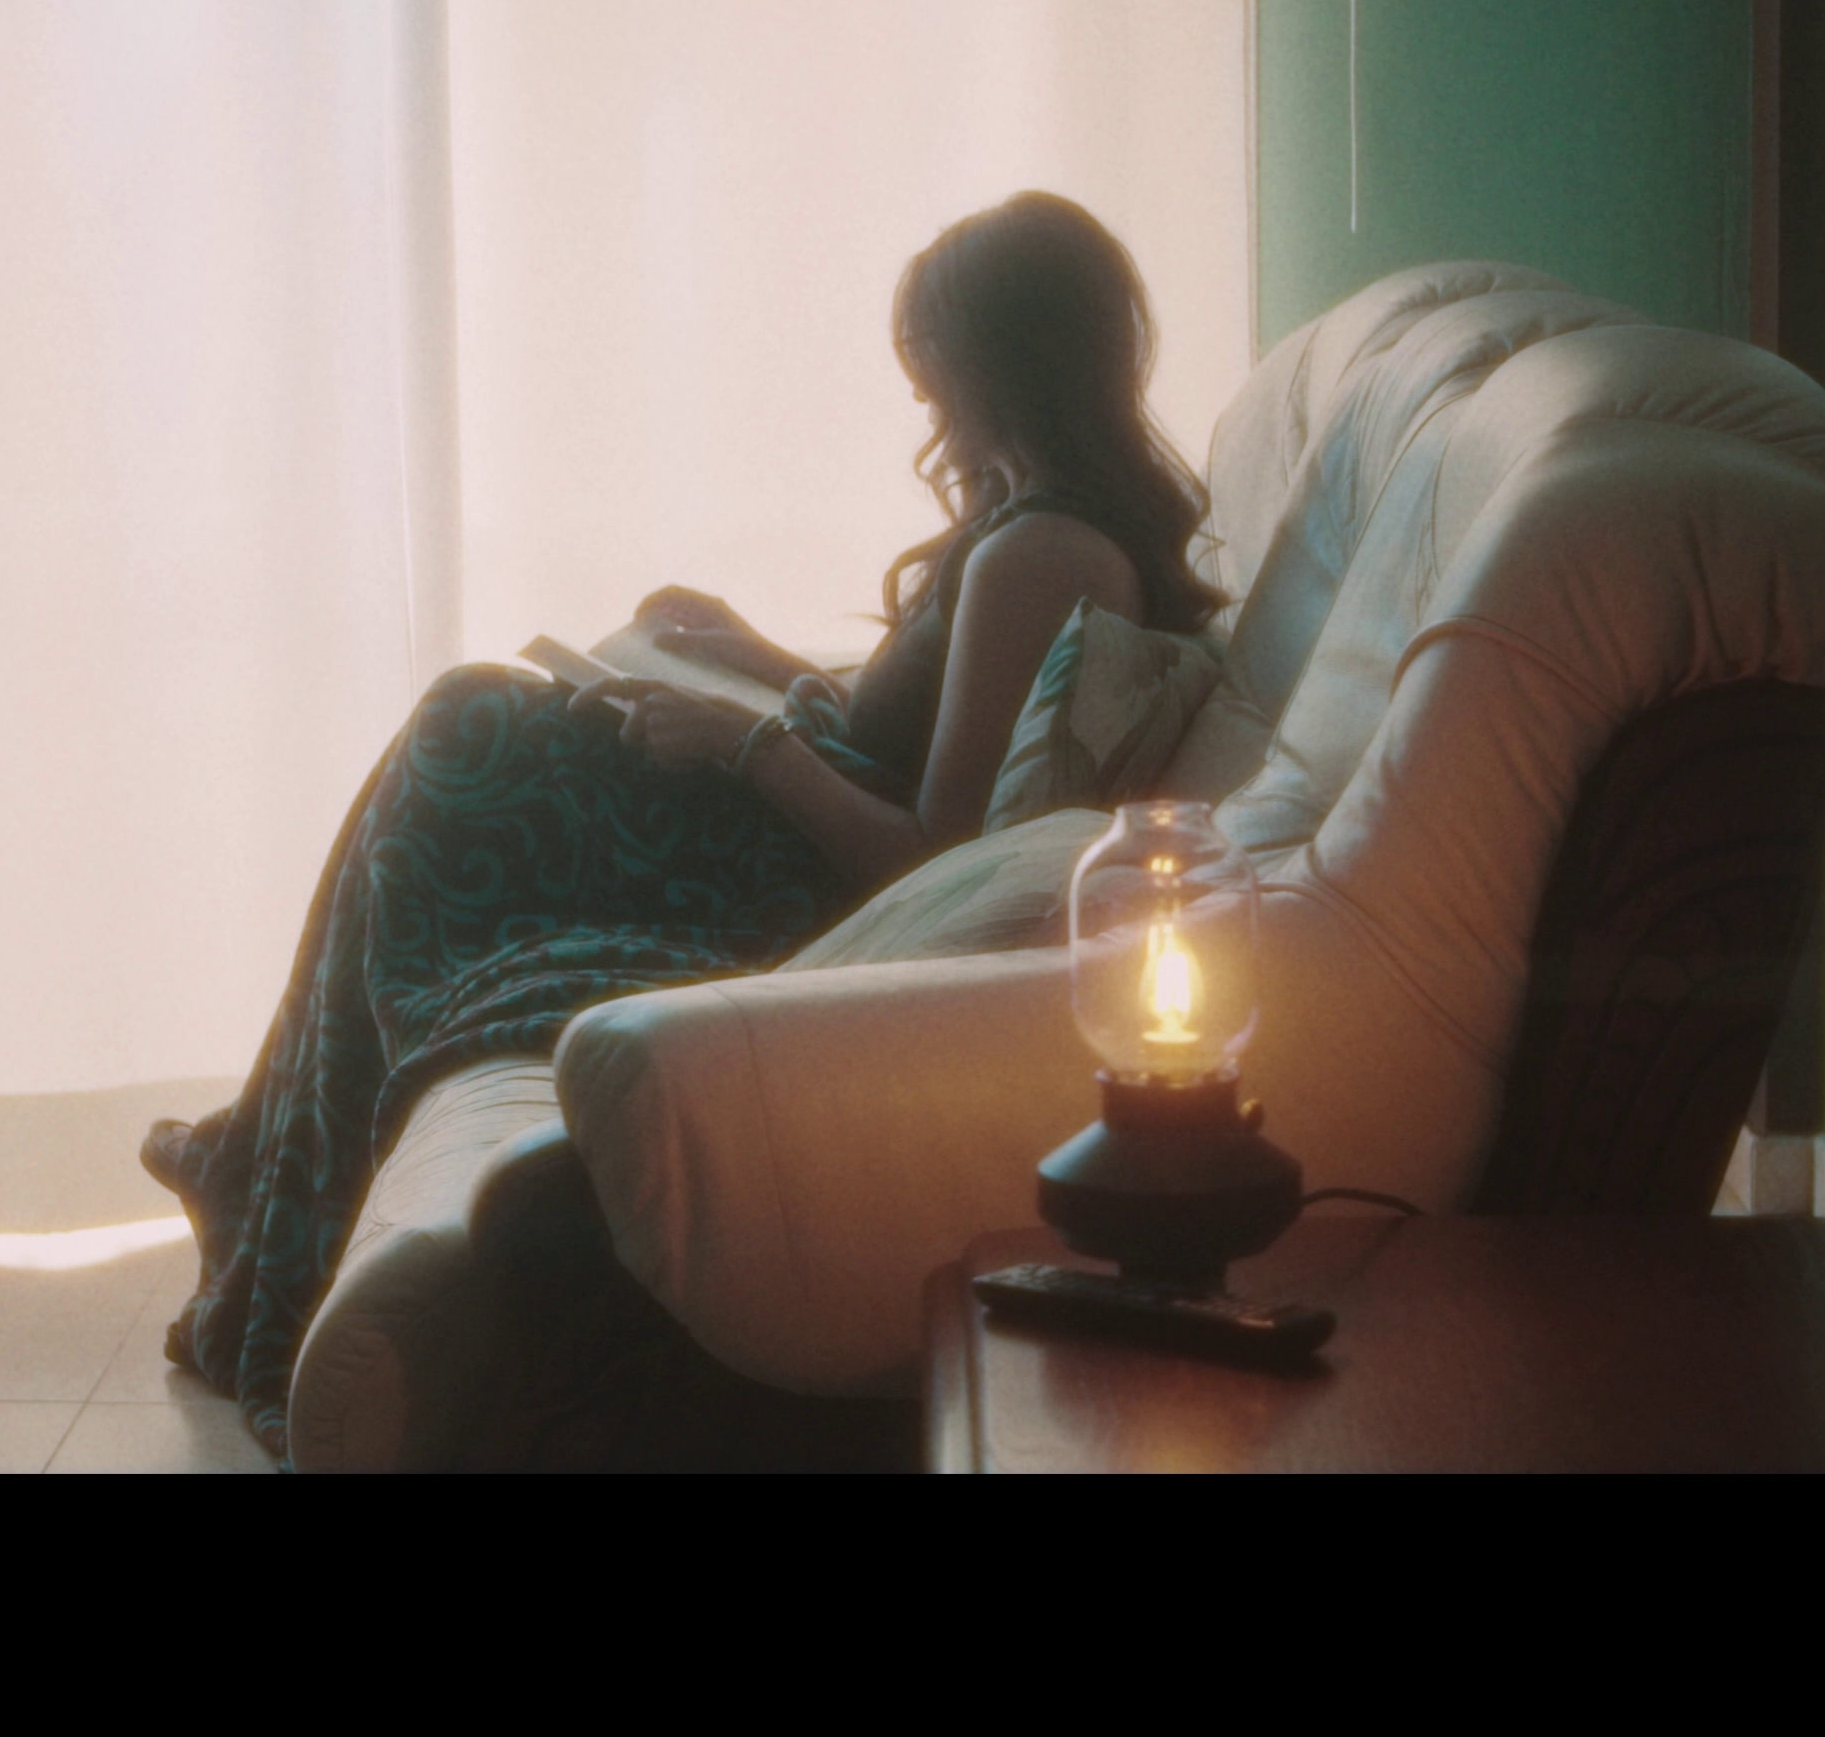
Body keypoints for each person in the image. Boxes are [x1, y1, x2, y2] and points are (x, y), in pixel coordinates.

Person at [143, 191, 1226, 1456]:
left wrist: (747, 743)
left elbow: (932, 848)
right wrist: (751, 657)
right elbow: (908, 736)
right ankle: (259, 1158)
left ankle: (259, 1167)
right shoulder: (1023, 519)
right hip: (796, 826)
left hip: (804, 886)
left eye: (936, 358)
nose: (923, 390)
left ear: (1005, 358)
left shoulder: (1041, 555)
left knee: (463, 736)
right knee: (460, 744)